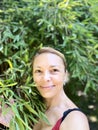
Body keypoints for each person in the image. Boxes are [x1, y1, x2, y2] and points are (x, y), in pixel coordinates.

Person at [32, 46, 90, 130]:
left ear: (65, 75)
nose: (45, 78)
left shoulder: (75, 120)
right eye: (39, 71)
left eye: (54, 70)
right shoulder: (33, 108)